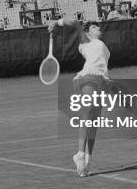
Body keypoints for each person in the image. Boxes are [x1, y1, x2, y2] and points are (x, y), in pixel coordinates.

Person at [48, 17, 114, 177]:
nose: (100, 29)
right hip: (87, 78)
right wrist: (56, 23)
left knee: (94, 122)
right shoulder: (85, 41)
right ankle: (80, 154)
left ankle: (86, 162)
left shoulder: (103, 47)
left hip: (101, 81)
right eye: (95, 27)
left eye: (100, 28)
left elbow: (104, 68)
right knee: (87, 115)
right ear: (87, 31)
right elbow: (75, 22)